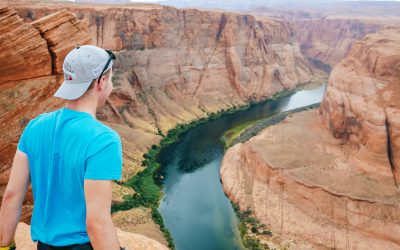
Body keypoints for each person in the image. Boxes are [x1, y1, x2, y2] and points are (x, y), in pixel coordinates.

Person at [0, 45, 125, 250]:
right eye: (111, 79)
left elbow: (12, 196)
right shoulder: (104, 140)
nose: (111, 85)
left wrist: (5, 247)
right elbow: (97, 222)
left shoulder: (34, 126)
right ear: (101, 82)